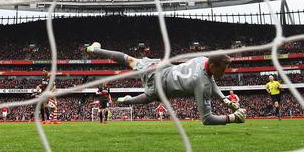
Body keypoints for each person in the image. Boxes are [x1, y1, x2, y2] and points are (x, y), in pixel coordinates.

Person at [86, 42, 245, 125]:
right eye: (222, 70)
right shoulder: (201, 84)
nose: (224, 74)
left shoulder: (203, 59)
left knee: (129, 60)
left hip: (159, 67)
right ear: (212, 66)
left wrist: (225, 100)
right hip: (157, 85)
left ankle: (95, 50)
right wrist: (232, 118)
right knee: (148, 97)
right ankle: (126, 100)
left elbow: (211, 79)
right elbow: (207, 119)